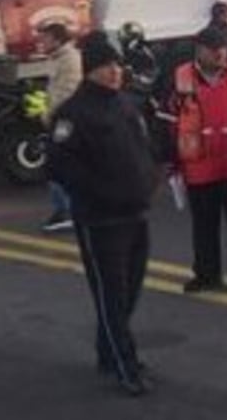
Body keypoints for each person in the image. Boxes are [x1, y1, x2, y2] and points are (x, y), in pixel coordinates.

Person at [46, 32, 159, 397]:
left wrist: (150, 178)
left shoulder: (126, 105)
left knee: (131, 290)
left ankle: (107, 349)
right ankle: (126, 364)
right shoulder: (74, 114)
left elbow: (144, 148)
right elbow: (61, 166)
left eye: (116, 65)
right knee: (111, 295)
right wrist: (101, 192)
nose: (114, 72)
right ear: (90, 70)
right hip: (101, 219)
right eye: (105, 66)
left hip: (136, 211)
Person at [168, 26, 227, 294]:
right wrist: (170, 159)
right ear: (199, 50)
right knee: (204, 226)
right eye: (214, 49)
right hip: (199, 165)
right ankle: (207, 275)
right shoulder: (180, 78)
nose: (221, 54)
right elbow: (167, 121)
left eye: (223, 48)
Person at [36, 22, 83, 232]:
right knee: (58, 164)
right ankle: (64, 209)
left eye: (45, 38)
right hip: (58, 120)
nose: (41, 43)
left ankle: (67, 211)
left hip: (64, 122)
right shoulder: (58, 59)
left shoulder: (69, 60)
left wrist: (50, 116)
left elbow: (66, 94)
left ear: (57, 39)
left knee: (58, 164)